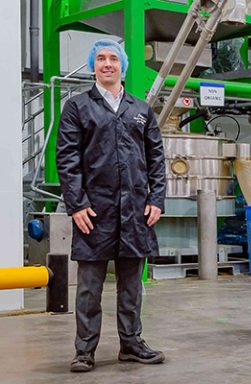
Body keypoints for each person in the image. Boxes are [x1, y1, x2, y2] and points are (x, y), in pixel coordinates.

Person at [56, 39, 167, 372]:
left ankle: (131, 344)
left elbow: (156, 158)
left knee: (132, 285)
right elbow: (67, 158)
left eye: (113, 59)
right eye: (101, 58)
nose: (107, 64)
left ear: (123, 66)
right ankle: (84, 350)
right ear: (93, 65)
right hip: (95, 210)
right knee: (90, 286)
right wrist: (76, 204)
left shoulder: (140, 109)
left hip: (135, 210)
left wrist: (156, 199)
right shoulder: (77, 107)